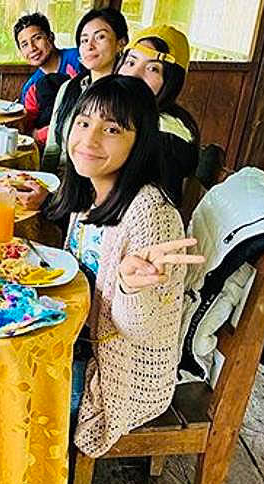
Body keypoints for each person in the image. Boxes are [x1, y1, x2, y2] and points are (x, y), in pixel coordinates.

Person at [46, 74, 204, 457]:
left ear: (140, 141)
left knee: (17, 396)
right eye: (84, 122)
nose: (90, 138)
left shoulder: (150, 213)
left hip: (117, 374)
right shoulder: (91, 190)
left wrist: (132, 287)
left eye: (112, 128)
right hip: (79, 339)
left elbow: (139, 328)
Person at [117, 25, 200, 205]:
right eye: (130, 62)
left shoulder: (168, 136)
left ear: (171, 81)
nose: (134, 74)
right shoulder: (119, 114)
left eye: (153, 69)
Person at [42, 8, 129, 175]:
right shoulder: (69, 88)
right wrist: (44, 182)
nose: (89, 46)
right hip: (62, 184)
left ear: (121, 43)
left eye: (100, 37)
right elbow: (53, 147)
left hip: (103, 188)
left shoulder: (128, 95)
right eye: (84, 40)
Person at [14, 12, 81, 140]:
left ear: (50, 37)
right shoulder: (31, 87)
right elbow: (30, 130)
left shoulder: (77, 59)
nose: (32, 48)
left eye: (37, 38)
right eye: (25, 45)